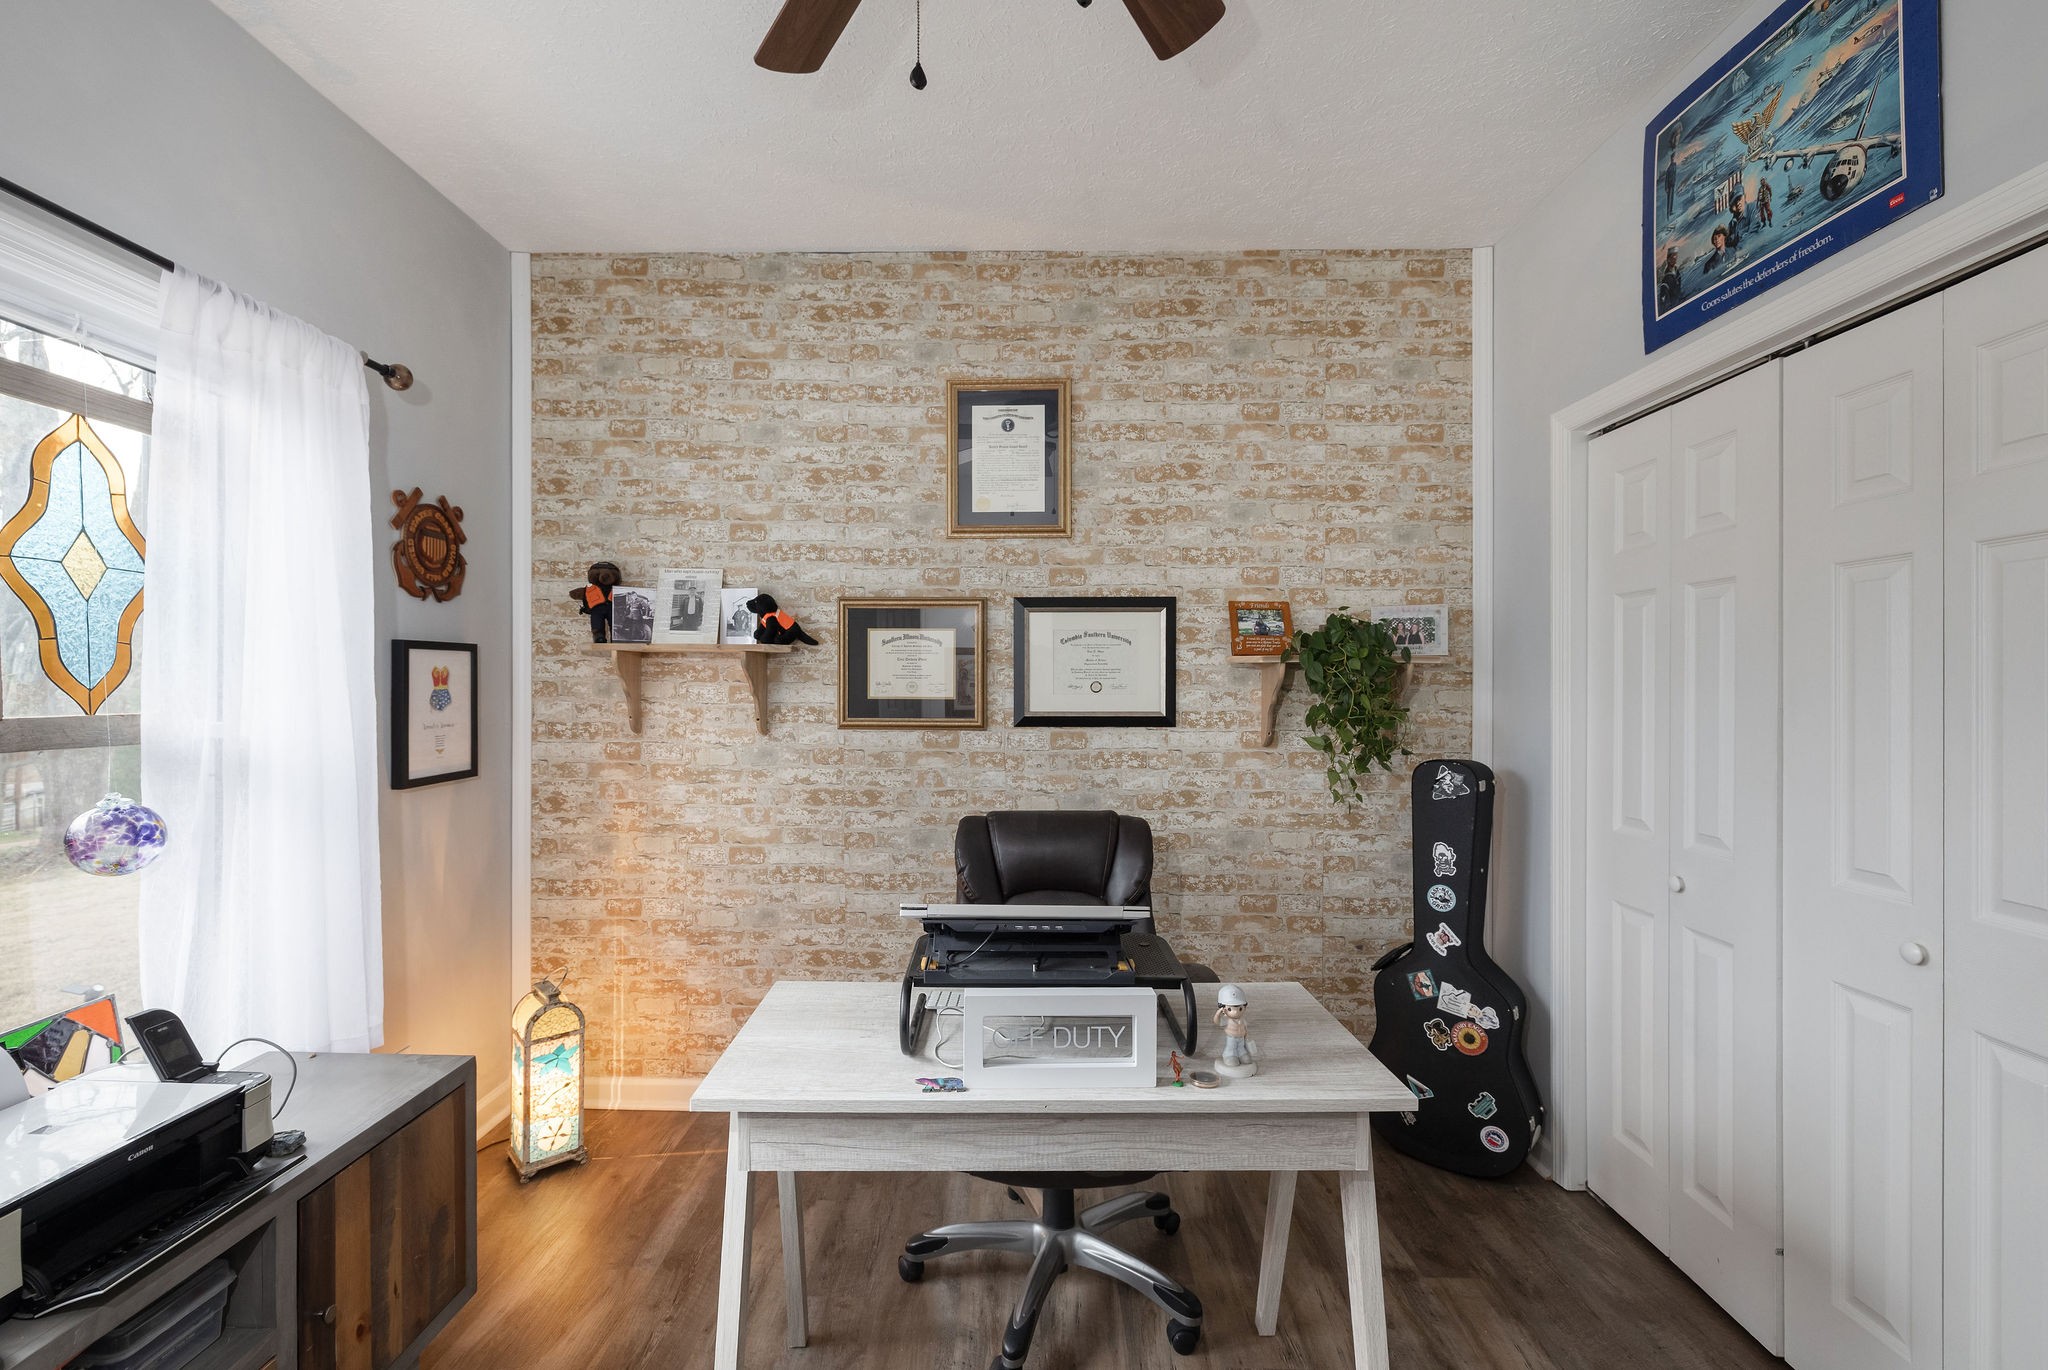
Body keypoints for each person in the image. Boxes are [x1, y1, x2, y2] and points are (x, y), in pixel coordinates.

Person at [1658, 246, 1684, 311]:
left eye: (1675, 257)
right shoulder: (1666, 279)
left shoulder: (1677, 272)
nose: (1674, 260)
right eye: (1672, 258)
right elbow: (1664, 301)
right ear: (1668, 259)